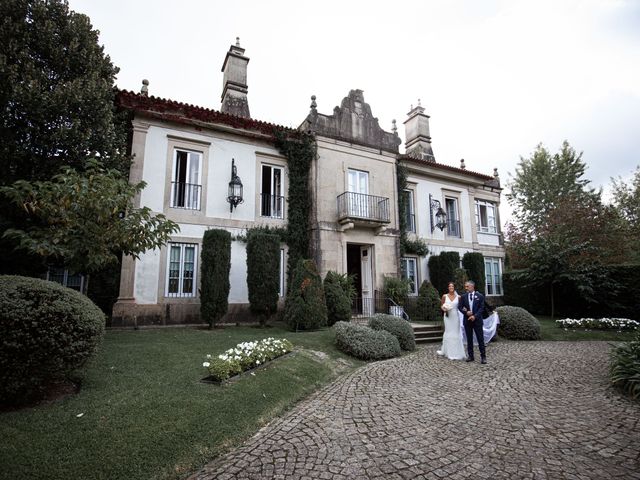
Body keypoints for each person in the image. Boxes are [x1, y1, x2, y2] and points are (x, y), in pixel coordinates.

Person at [458, 280, 487, 364]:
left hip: (477, 321)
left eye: (467, 286)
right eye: (465, 286)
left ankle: (483, 357)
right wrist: (466, 312)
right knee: (469, 339)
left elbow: (482, 308)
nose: (466, 288)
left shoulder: (480, 296)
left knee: (480, 339)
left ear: (472, 286)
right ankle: (470, 356)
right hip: (467, 321)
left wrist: (475, 316)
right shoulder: (463, 296)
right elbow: (460, 307)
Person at [436, 282, 467, 360]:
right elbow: (441, 305)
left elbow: (461, 306)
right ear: (448, 288)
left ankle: (457, 352)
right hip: (447, 317)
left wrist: (465, 310)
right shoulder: (444, 296)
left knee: (456, 332)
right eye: (449, 286)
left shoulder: (459, 297)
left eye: (452, 286)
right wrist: (444, 308)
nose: (451, 287)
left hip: (455, 317)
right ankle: (448, 351)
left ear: (454, 288)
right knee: (448, 332)